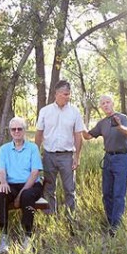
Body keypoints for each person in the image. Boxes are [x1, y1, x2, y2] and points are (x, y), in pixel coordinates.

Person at [83, 95, 127, 236]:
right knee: (106, 193)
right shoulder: (102, 123)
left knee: (118, 193)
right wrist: (79, 124)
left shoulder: (122, 117)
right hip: (108, 159)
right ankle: (110, 221)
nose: (105, 105)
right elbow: (87, 136)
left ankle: (116, 226)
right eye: (103, 103)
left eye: (107, 102)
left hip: (122, 158)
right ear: (101, 106)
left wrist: (119, 126)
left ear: (112, 103)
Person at [35, 80, 85, 223]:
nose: (68, 97)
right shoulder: (45, 111)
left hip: (67, 156)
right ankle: (51, 217)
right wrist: (35, 154)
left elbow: (78, 135)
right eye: (65, 94)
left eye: (69, 94)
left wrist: (77, 156)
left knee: (70, 189)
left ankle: (71, 218)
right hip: (48, 155)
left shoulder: (75, 112)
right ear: (56, 94)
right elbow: (39, 133)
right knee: (49, 189)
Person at [0, 117, 44, 253]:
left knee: (27, 196)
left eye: (19, 129)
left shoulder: (32, 148)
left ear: (24, 130)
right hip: (11, 184)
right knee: (1, 193)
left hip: (30, 184)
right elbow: (1, 170)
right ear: (10, 131)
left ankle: (28, 237)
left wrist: (21, 194)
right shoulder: (4, 149)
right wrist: (3, 182)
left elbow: (35, 173)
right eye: (13, 129)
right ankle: (4, 236)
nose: (16, 131)